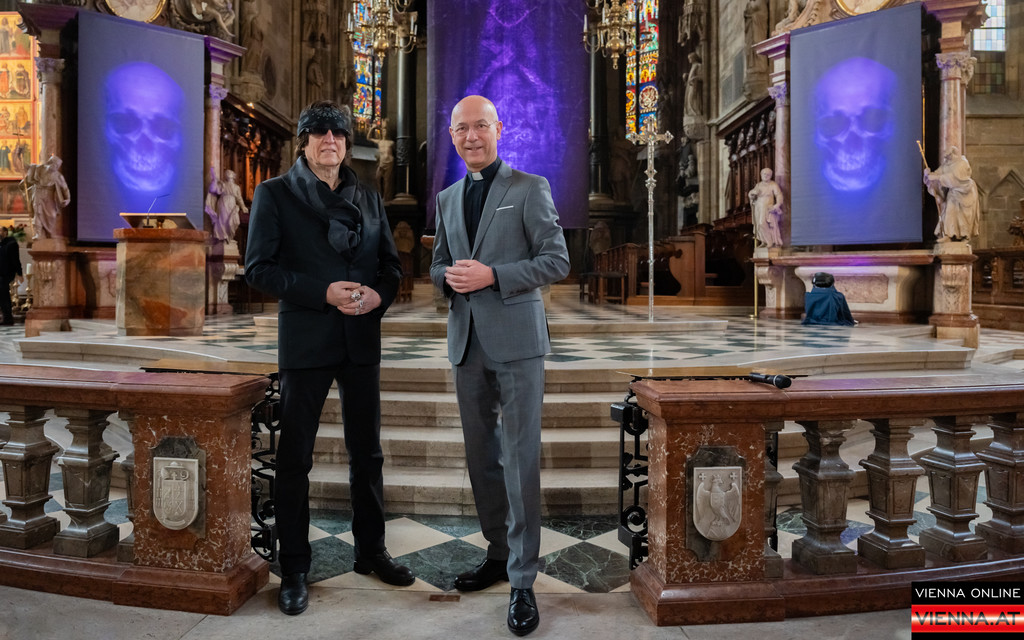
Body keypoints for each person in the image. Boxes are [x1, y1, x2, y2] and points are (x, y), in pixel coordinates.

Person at [245, 100, 412, 617]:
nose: (329, 140)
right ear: (304, 142)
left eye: (337, 132)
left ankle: (371, 550)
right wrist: (323, 292)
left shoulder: (368, 196)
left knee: (368, 454)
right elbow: (259, 269)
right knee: (295, 457)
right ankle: (295, 565)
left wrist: (379, 295)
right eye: (318, 132)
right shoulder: (275, 193)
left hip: (360, 339)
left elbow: (390, 266)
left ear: (347, 142)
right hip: (307, 341)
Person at [430, 95, 570, 637]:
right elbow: (438, 263)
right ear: (452, 136)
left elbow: (556, 259)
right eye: (461, 129)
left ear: (498, 129)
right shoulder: (447, 198)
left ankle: (523, 579)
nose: (471, 136)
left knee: (519, 457)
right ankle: (496, 552)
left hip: (517, 341)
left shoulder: (529, 187)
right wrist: (447, 277)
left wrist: (494, 276)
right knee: (481, 455)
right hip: (466, 342)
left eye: (480, 126)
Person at [924, 146, 980, 242]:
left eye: (948, 156)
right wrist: (928, 174)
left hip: (965, 192)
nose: (947, 159)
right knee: (949, 211)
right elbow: (938, 173)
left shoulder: (962, 163)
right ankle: (948, 235)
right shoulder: (947, 164)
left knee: (963, 216)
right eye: (946, 157)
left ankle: (964, 236)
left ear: (953, 154)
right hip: (953, 193)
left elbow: (956, 179)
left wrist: (938, 177)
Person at [22, 154, 71, 240]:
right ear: (50, 163)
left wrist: (68, 199)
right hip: (38, 192)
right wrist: (20, 157)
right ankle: (38, 233)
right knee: (38, 213)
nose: (55, 167)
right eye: (54, 164)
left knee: (52, 215)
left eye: (57, 166)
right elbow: (27, 167)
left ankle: (49, 232)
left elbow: (65, 188)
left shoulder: (58, 176)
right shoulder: (39, 169)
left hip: (49, 196)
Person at [205, 167, 248, 243]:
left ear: (233, 176)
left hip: (232, 203)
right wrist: (214, 179)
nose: (228, 174)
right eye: (227, 173)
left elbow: (239, 198)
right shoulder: (223, 184)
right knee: (223, 220)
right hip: (223, 202)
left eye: (230, 173)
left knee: (233, 221)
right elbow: (213, 189)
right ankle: (223, 237)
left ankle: (229, 236)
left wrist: (243, 206)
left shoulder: (236, 187)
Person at [748, 167, 784, 248]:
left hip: (767, 207)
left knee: (762, 223)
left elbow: (779, 195)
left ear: (771, 176)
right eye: (764, 174)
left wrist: (777, 205)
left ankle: (769, 241)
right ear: (761, 174)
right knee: (758, 225)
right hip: (758, 207)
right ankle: (764, 241)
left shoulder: (773, 184)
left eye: (768, 174)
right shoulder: (758, 185)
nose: (766, 175)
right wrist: (752, 195)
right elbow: (751, 193)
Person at [0, 225, 22, 325]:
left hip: (6, 273)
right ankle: (6, 317)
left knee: (4, 296)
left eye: (0, 231)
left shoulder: (11, 244)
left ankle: (8, 318)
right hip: (1, 273)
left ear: (5, 232)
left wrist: (19, 273)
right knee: (2, 296)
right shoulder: (2, 244)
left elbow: (15, 260)